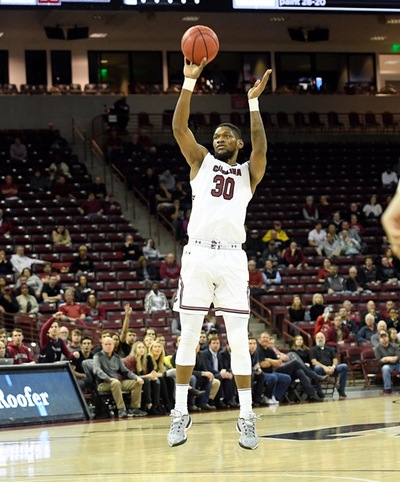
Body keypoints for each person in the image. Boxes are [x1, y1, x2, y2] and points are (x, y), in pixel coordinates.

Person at [167, 58, 271, 450]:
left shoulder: (248, 173)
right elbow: (179, 128)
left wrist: (253, 105)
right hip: (197, 255)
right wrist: (188, 82)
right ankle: (179, 414)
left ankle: (246, 417)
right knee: (189, 336)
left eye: (226, 135)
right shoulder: (201, 162)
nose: (218, 139)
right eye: (215, 135)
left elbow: (261, 146)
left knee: (239, 339)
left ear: (238, 143)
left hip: (231, 258)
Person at [93, 336, 147, 418]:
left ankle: (134, 408)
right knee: (116, 382)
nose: (108, 346)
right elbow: (97, 370)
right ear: (102, 345)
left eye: (110, 344)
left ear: (113, 345)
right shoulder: (97, 356)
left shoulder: (117, 357)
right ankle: (121, 409)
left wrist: (137, 377)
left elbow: (125, 371)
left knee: (137, 383)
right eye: (106, 344)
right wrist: (108, 378)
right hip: (103, 383)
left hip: (117, 382)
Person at [309, 332, 348, 400]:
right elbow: (314, 362)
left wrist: (333, 367)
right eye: (318, 338)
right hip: (321, 369)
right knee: (317, 368)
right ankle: (319, 392)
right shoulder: (313, 350)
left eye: (321, 337)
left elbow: (335, 359)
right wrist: (324, 367)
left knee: (344, 366)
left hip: (331, 368)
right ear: (316, 339)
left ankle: (341, 390)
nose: (320, 339)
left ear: (325, 339)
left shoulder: (330, 349)